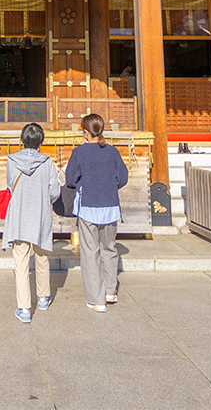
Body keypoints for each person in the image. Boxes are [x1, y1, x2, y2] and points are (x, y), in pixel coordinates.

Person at [64, 112, 129, 311]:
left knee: (90, 252)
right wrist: (108, 186)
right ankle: (110, 291)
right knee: (109, 248)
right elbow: (123, 177)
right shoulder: (112, 152)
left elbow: (70, 180)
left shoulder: (80, 153)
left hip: (88, 207)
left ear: (85, 132)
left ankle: (96, 299)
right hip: (110, 206)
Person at [1, 122, 62, 324]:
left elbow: (11, 184)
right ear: (41, 142)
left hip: (19, 214)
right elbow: (54, 190)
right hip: (40, 212)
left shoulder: (12, 160)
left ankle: (24, 308)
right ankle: (43, 297)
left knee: (21, 262)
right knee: (42, 256)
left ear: (22, 140)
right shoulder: (47, 162)